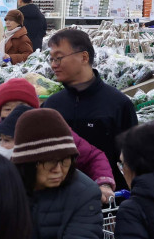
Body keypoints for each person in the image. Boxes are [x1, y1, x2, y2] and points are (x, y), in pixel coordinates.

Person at [11, 108, 103, 239]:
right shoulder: (4, 186)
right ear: (27, 162)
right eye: (49, 162)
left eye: (65, 160)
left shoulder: (85, 192)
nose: (59, 170)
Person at [43, 29, 137, 190]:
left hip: (106, 200)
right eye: (51, 59)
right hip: (59, 198)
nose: (53, 65)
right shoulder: (51, 106)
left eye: (58, 58)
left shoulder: (118, 104)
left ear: (84, 57)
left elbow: (132, 160)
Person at [0, 78, 116, 200]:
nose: (16, 113)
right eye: (8, 109)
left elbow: (92, 156)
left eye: (23, 107)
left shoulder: (54, 130)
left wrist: (103, 184)